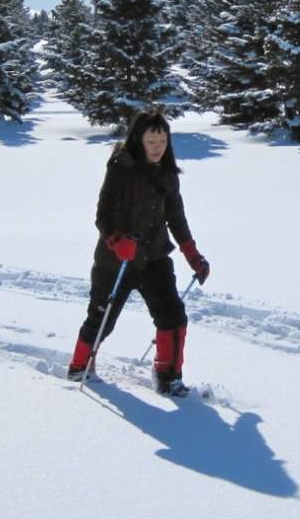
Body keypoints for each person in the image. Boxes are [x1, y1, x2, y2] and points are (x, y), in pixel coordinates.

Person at [67, 110, 211, 396]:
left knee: (173, 316)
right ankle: (79, 367)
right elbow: (104, 214)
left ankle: (168, 376)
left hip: (154, 258)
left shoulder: (168, 174)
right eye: (151, 141)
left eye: (163, 141)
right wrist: (117, 241)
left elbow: (176, 218)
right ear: (138, 139)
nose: (158, 148)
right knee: (101, 321)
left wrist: (193, 255)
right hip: (115, 261)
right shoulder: (121, 167)